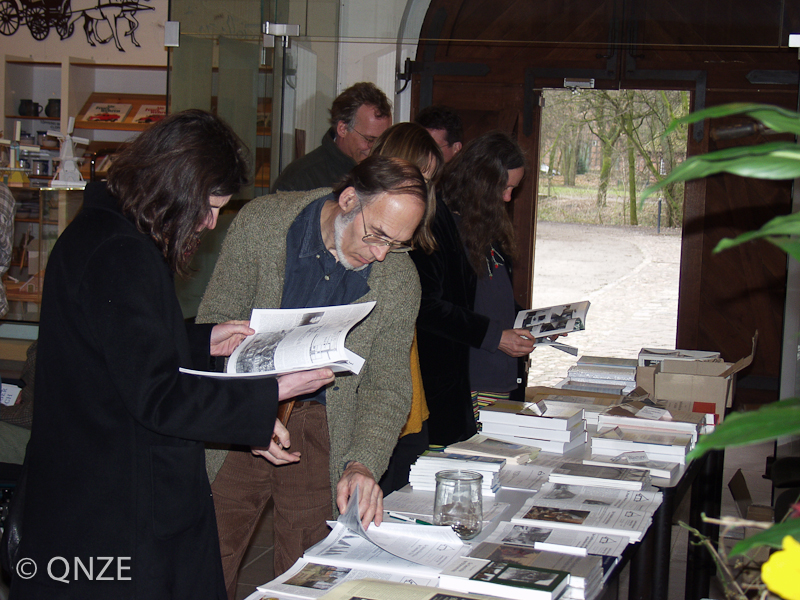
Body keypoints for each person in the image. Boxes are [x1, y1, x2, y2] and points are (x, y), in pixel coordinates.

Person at [11, 110, 334, 600]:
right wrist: (270, 391)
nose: (209, 222)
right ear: (176, 186)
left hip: (89, 490)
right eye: (208, 207)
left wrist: (201, 340)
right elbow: (156, 394)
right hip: (117, 507)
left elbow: (113, 348)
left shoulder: (100, 231)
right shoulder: (122, 253)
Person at [196, 155, 427, 592]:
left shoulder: (398, 279)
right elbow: (215, 322)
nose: (381, 255)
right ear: (348, 200)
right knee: (208, 552)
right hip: (242, 411)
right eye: (377, 235)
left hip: (321, 422)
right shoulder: (264, 225)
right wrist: (252, 407)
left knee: (307, 571)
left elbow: (389, 387)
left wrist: (362, 462)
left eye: (397, 243)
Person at [411, 131, 534, 446]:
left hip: (500, 373)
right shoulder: (437, 224)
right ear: (480, 181)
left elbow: (491, 298)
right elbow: (428, 307)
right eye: (504, 188)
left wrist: (534, 321)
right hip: (466, 382)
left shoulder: (485, 220)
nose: (508, 198)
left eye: (513, 189)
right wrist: (495, 336)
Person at [368, 122, 444, 495]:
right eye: (420, 177)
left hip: (406, 391)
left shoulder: (410, 243)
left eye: (429, 181)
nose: (426, 192)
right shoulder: (370, 240)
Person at [272, 82, 392, 192]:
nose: (376, 148)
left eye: (383, 140)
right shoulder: (299, 179)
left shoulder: (386, 173)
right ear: (343, 129)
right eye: (370, 139)